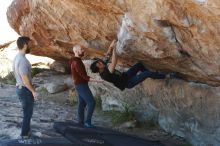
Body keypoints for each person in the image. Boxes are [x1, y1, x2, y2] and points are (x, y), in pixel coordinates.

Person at [90, 40, 179, 91]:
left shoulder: (102, 67)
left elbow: (107, 57)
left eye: (99, 62)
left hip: (125, 76)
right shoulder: (105, 74)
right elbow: (114, 61)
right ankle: (167, 76)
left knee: (139, 65)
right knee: (146, 74)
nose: (101, 62)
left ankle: (153, 75)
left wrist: (111, 46)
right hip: (128, 83)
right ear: (99, 69)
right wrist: (115, 49)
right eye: (99, 63)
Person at [70, 45, 101, 128]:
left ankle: (80, 123)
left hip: (80, 85)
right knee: (91, 103)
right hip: (81, 85)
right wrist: (96, 79)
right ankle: (87, 122)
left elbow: (80, 75)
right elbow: (83, 75)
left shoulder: (76, 60)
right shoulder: (76, 62)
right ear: (76, 51)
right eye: (81, 49)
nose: (83, 50)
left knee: (81, 104)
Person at [13, 36, 38, 139]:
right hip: (24, 90)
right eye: (30, 44)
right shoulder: (22, 60)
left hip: (20, 89)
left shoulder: (17, 57)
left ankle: (26, 133)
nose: (31, 46)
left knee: (27, 113)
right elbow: (25, 78)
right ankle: (24, 136)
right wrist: (33, 91)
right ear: (25, 45)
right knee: (27, 114)